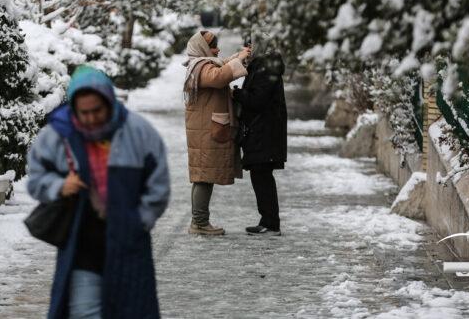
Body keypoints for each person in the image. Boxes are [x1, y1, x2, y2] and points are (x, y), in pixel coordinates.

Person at [26, 66, 170, 319]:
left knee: (132, 310)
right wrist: (59, 186)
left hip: (129, 243)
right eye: (84, 113)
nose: (91, 118)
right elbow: (37, 179)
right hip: (82, 243)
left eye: (97, 110)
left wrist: (140, 221)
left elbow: (158, 185)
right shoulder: (59, 135)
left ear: (109, 102)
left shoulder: (138, 132)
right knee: (85, 312)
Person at [183, 30, 250, 235]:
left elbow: (221, 64)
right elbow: (219, 76)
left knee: (205, 175)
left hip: (206, 128)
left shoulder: (202, 64)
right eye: (213, 46)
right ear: (203, 48)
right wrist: (238, 59)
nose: (217, 49)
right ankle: (199, 223)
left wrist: (238, 56)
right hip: (205, 131)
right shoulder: (200, 67)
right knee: (204, 176)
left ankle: (200, 221)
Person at [233, 32, 287, 236]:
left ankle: (271, 222)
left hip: (264, 131)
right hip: (263, 130)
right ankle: (268, 220)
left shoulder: (265, 68)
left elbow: (257, 101)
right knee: (261, 175)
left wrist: (236, 94)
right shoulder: (264, 66)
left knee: (262, 175)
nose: (247, 49)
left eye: (250, 45)